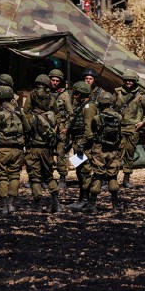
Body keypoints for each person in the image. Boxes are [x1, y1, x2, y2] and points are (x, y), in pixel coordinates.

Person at [0, 85, 29, 214]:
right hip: (17, 150)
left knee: (2, 176)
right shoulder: (19, 111)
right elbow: (28, 129)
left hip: (2, 149)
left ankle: (3, 205)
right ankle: (12, 204)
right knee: (14, 176)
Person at [23, 74, 60, 213]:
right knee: (49, 175)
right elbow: (58, 116)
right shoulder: (52, 100)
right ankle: (56, 201)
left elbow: (25, 116)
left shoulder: (31, 101)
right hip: (48, 147)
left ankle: (37, 204)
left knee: (35, 177)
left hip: (34, 146)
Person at [84, 90, 125, 214]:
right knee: (112, 176)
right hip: (113, 150)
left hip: (100, 149)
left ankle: (92, 205)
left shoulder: (96, 118)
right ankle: (115, 206)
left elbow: (92, 132)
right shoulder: (118, 116)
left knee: (98, 175)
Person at [115, 69, 145, 189]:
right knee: (117, 154)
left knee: (129, 154)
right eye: (126, 80)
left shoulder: (140, 95)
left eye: (131, 80)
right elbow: (111, 107)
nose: (128, 82)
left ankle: (126, 179)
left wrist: (142, 122)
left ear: (135, 81)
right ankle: (112, 179)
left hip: (133, 128)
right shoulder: (117, 92)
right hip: (119, 127)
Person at [65, 81, 96, 211]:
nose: (75, 96)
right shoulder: (82, 105)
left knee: (84, 172)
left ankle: (85, 200)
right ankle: (82, 199)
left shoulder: (89, 107)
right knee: (79, 171)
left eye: (77, 94)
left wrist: (82, 145)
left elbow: (89, 130)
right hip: (78, 143)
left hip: (85, 145)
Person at [47, 69, 74, 189]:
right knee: (45, 152)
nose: (55, 83)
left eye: (57, 81)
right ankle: (45, 178)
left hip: (61, 127)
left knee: (61, 153)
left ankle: (62, 178)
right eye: (53, 80)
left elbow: (70, 113)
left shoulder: (64, 94)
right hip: (46, 127)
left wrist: (67, 128)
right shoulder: (44, 93)